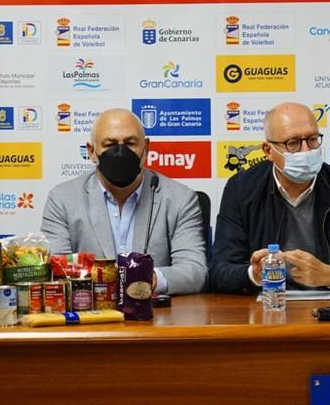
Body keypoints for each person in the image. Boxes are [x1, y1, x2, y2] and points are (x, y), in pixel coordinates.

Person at [209, 102, 330, 293]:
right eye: (292, 143)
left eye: (312, 139)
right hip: (268, 306)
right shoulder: (241, 189)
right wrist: (254, 274)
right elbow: (219, 271)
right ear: (268, 151)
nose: (305, 150)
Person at [41, 109, 207, 295]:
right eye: (109, 144)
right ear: (91, 152)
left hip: (155, 318)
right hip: (91, 316)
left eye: (130, 143)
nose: (120, 152)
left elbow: (195, 272)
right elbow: (57, 272)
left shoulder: (180, 198)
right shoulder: (63, 199)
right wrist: (109, 281)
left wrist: (149, 279)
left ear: (146, 148)